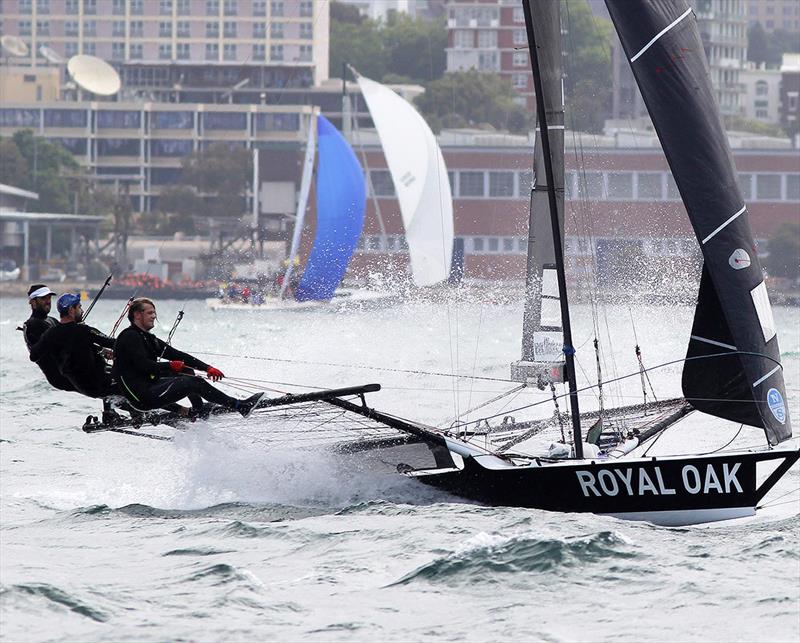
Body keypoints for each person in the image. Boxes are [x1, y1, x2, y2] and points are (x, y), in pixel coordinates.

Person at [112, 298, 263, 417]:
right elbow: (143, 365)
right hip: (142, 397)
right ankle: (240, 406)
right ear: (137, 315)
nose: (154, 316)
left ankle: (199, 409)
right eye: (149, 313)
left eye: (154, 312)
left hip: (152, 386)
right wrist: (169, 365)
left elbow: (177, 354)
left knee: (187, 371)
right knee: (192, 383)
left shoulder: (147, 337)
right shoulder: (129, 336)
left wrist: (207, 368)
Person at [29, 293, 116, 398]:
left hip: (80, 385)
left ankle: (110, 411)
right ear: (71, 310)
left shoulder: (50, 334)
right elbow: (112, 342)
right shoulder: (83, 330)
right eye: (79, 307)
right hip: (100, 382)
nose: (82, 311)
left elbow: (33, 355)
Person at [22, 284, 76, 392]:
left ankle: (111, 403)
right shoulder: (33, 324)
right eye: (43, 298)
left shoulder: (51, 320)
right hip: (60, 377)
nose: (48, 301)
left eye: (49, 298)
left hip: (69, 371)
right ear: (32, 302)